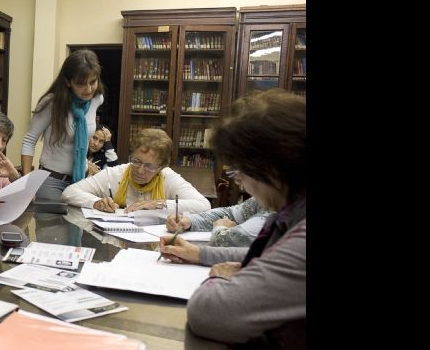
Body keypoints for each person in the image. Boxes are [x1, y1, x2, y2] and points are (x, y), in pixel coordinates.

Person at [161, 90, 306, 350]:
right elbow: (274, 258)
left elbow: (209, 312)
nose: (239, 181)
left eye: (240, 170)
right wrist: (200, 254)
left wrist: (219, 276)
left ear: (270, 168)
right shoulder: (294, 211)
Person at [61, 128, 211, 214]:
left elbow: (204, 205)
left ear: (161, 167)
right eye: (136, 161)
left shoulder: (168, 178)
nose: (140, 170)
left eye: (150, 166)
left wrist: (158, 204)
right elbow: (69, 192)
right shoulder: (116, 174)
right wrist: (96, 203)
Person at [21, 49, 105, 201]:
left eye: (93, 82)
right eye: (81, 84)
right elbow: (29, 140)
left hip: (80, 182)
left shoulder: (97, 99)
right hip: (51, 182)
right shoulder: (52, 103)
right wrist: (27, 184)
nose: (88, 89)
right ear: (68, 82)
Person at [166, 197, 271, 247]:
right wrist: (190, 220)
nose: (238, 179)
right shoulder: (264, 198)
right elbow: (229, 213)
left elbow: (225, 241)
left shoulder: (276, 208)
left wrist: (221, 227)